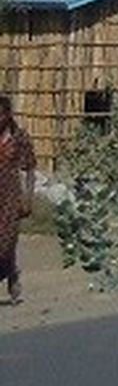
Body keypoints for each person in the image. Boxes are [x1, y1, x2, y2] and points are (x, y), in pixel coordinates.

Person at [0, 95, 33, 305]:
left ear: (8, 115)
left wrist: (28, 197)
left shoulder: (19, 138)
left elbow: (30, 168)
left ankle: (11, 273)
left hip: (10, 197)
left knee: (6, 240)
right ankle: (11, 272)